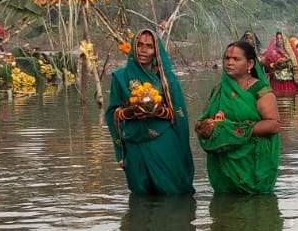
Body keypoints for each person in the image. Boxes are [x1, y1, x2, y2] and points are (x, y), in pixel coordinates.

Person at [104, 29, 194, 195]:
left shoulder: (166, 78)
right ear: (133, 47)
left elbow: (178, 114)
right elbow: (113, 113)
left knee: (172, 193)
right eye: (139, 45)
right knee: (140, 195)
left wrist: (158, 111)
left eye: (149, 46)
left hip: (163, 141)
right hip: (134, 143)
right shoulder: (120, 77)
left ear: (156, 51)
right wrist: (130, 112)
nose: (143, 50)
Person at [195, 40, 282, 194]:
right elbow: (204, 119)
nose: (229, 63)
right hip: (223, 160)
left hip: (252, 161)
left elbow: (274, 125)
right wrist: (205, 126)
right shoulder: (218, 90)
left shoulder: (260, 90)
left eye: (236, 59)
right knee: (224, 210)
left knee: (256, 210)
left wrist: (233, 130)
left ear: (249, 64)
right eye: (227, 58)